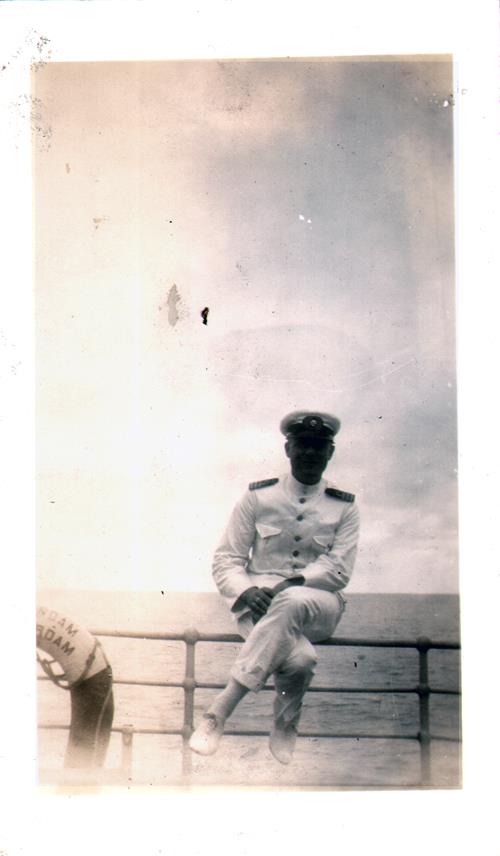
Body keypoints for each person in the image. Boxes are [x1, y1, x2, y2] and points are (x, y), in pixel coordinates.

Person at [189, 410, 360, 765]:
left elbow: (339, 569)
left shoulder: (344, 507)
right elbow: (226, 559)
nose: (310, 453)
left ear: (330, 453)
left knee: (293, 599)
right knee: (300, 660)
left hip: (320, 604)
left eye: (319, 446)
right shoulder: (258, 498)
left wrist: (293, 582)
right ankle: (285, 727)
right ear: (288, 449)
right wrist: (247, 592)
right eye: (303, 445)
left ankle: (217, 714)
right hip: (259, 606)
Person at [36, 605, 114, 768]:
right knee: (86, 746)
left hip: (92, 676)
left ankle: (76, 787)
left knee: (83, 748)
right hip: (94, 671)